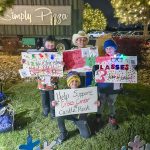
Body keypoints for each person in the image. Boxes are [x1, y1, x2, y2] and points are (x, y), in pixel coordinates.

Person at [51, 71, 92, 145]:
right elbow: (57, 108)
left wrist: (98, 103)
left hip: (80, 117)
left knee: (86, 135)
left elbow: (92, 101)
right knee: (59, 115)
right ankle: (64, 133)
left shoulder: (85, 91)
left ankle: (78, 123)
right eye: (72, 81)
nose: (74, 83)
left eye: (76, 81)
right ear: (69, 83)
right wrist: (53, 105)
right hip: (69, 114)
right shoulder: (63, 93)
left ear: (79, 82)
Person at [93, 39, 122, 130]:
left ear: (115, 49)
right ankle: (98, 116)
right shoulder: (101, 59)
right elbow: (95, 70)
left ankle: (112, 117)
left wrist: (121, 58)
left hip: (114, 86)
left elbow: (129, 64)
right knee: (100, 102)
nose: (109, 50)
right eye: (107, 48)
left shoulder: (120, 57)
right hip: (103, 86)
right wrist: (94, 68)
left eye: (111, 48)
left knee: (112, 103)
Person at [37, 35, 58, 118]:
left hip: (53, 80)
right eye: (48, 45)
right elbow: (31, 63)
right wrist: (25, 61)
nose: (50, 47)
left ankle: (53, 112)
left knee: (53, 96)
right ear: (44, 44)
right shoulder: (39, 54)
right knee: (44, 96)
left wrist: (62, 65)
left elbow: (62, 67)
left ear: (55, 45)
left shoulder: (58, 54)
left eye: (52, 45)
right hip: (42, 80)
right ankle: (46, 110)